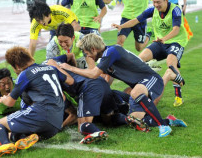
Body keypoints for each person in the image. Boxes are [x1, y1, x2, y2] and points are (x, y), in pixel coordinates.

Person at [59, 33, 187, 137]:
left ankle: (162, 126)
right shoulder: (106, 59)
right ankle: (169, 121)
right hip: (140, 85)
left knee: (135, 92)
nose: (87, 56)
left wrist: (69, 68)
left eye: (86, 53)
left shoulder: (112, 51)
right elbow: (104, 82)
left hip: (152, 79)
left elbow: (94, 74)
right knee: (134, 119)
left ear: (93, 49)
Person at [0, 46, 74, 157]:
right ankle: (23, 138)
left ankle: (5, 145)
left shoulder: (25, 74)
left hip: (41, 114)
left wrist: (3, 100)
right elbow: (70, 80)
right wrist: (56, 67)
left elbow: (10, 102)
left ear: (16, 66)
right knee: (14, 132)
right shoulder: (51, 68)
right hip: (56, 124)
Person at [112, 0, 188, 107]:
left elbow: (176, 30)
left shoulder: (175, 10)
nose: (156, 5)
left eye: (158, 2)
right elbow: (136, 20)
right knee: (139, 59)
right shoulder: (152, 10)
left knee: (171, 65)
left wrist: (164, 39)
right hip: (159, 42)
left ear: (166, 0)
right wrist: (121, 26)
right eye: (154, 2)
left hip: (175, 41)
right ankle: (141, 87)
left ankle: (178, 96)